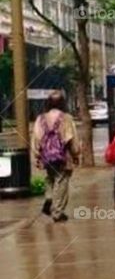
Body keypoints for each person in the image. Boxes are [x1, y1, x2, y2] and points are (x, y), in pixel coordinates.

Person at [32, 90, 80, 222]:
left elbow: (36, 138)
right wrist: (76, 154)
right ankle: (58, 212)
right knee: (61, 180)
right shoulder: (66, 118)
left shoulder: (40, 119)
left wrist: (37, 155)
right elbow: (71, 138)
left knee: (50, 177)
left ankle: (49, 197)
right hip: (63, 156)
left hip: (47, 156)